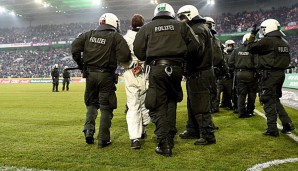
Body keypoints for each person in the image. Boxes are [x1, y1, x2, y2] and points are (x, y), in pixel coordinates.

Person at [133, 3, 201, 157]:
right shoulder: (181, 26)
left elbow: (138, 51)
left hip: (157, 69)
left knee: (156, 105)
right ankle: (169, 136)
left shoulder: (147, 28)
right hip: (176, 69)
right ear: (171, 13)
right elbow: (196, 47)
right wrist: (182, 58)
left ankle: (164, 144)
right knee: (171, 102)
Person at [71, 13, 131, 147]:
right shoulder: (115, 37)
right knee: (106, 107)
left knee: (91, 104)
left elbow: (74, 48)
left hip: (90, 75)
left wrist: (81, 65)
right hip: (106, 76)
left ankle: (88, 131)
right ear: (114, 23)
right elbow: (125, 57)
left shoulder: (88, 34)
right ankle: (103, 139)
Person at [247, 19, 295, 137]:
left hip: (269, 75)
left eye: (263, 29)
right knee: (275, 99)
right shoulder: (284, 42)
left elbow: (250, 48)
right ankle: (287, 123)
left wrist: (252, 34)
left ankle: (272, 129)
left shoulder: (267, 41)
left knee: (267, 100)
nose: (262, 31)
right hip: (281, 74)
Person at [177, 5, 216, 145]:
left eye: (182, 17)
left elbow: (195, 50)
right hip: (200, 72)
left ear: (189, 15)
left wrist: (181, 53)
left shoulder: (197, 30)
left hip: (200, 72)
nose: (180, 21)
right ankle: (193, 128)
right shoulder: (199, 28)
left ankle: (207, 134)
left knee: (200, 105)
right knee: (193, 103)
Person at [123, 14, 150, 149]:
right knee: (144, 103)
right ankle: (143, 129)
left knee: (133, 105)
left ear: (131, 24)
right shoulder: (147, 35)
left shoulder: (126, 38)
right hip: (145, 71)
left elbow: (121, 57)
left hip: (130, 71)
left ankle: (135, 138)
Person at [228, 33, 257, 118]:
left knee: (241, 94)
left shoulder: (236, 50)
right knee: (252, 94)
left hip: (239, 74)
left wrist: (236, 70)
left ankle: (241, 113)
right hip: (251, 74)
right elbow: (257, 63)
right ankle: (250, 112)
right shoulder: (254, 51)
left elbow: (230, 63)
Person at [204, 16, 225, 114]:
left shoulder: (217, 41)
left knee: (214, 91)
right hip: (204, 70)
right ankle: (206, 110)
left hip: (215, 71)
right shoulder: (201, 38)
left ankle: (213, 108)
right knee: (205, 92)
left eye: (210, 24)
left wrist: (224, 69)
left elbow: (221, 57)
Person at [221, 40, 236, 110]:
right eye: (229, 45)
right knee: (227, 91)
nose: (230, 47)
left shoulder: (234, 54)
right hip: (226, 75)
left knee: (230, 91)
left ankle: (228, 103)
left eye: (231, 45)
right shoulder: (223, 55)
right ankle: (226, 103)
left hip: (231, 75)